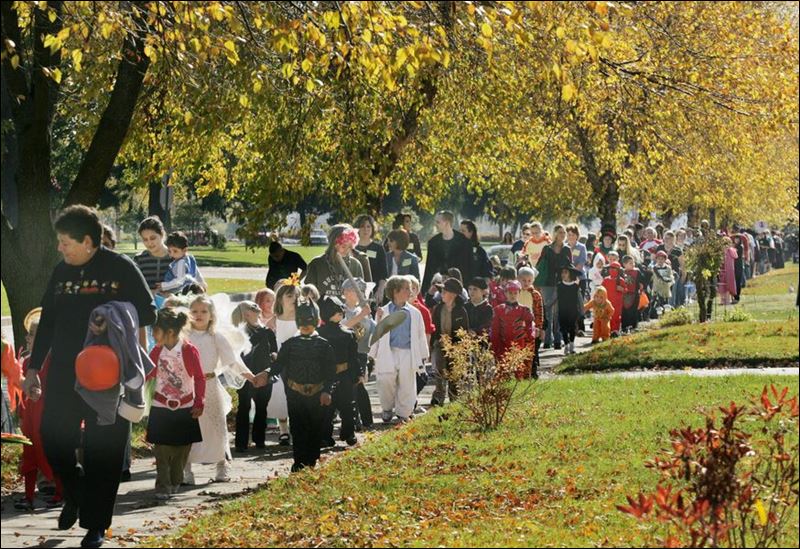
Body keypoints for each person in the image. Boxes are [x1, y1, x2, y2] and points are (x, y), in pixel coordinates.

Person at [22, 205, 155, 548]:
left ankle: (95, 526)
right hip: (66, 372)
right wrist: (34, 369)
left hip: (107, 376)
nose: (60, 248)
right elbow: (48, 320)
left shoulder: (120, 267)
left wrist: (110, 315)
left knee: (105, 451)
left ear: (87, 242)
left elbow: (148, 310)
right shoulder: (61, 272)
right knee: (53, 438)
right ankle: (76, 491)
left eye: (65, 242)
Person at [184, 295, 257, 485]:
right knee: (188, 427)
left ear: (211, 315)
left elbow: (231, 360)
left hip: (209, 385)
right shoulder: (184, 337)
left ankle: (222, 464)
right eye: (194, 311)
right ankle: (186, 469)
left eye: (203, 311)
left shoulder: (215, 337)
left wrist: (249, 375)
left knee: (217, 426)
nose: (198, 315)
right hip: (188, 387)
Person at [262, 300, 336, 472]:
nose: (305, 326)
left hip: (318, 394)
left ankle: (311, 460)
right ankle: (299, 461)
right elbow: (278, 365)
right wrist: (265, 374)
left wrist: (327, 391)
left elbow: (330, 372)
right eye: (302, 323)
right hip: (295, 394)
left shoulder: (324, 345)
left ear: (316, 321)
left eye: (309, 323)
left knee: (315, 427)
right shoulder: (290, 345)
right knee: (298, 427)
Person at [146, 308, 206, 501]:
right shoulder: (156, 351)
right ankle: (162, 484)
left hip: (185, 407)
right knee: (161, 450)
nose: (153, 335)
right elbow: (148, 375)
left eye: (156, 331)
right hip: (161, 405)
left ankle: (175, 479)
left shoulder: (188, 350)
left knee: (182, 449)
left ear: (170, 332)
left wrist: (199, 402)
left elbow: (199, 377)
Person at [16, 309, 63, 510]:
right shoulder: (27, 362)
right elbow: (21, 390)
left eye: (32, 335)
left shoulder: (54, 363)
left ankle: (61, 492)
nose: (27, 338)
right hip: (30, 415)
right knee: (29, 454)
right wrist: (20, 413)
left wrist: (41, 394)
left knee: (49, 454)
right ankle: (28, 496)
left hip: (46, 415)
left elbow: (58, 390)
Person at [370, 276, 429, 422]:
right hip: (388, 351)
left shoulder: (414, 313)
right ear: (395, 291)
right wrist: (372, 354)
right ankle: (387, 408)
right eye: (406, 288)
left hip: (408, 352)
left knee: (407, 383)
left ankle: (403, 412)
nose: (410, 291)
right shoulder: (383, 312)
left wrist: (423, 354)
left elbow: (420, 335)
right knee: (385, 380)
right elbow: (377, 332)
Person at [231, 301, 277, 452]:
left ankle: (259, 440)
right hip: (246, 375)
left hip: (263, 374)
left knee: (262, 407)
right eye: (252, 307)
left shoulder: (267, 331)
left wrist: (273, 358)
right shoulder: (239, 333)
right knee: (244, 407)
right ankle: (241, 443)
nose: (257, 307)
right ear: (245, 313)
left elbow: (274, 351)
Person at [318, 297, 360, 447]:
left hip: (344, 374)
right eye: (337, 312)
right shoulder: (319, 334)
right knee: (326, 408)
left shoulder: (348, 333)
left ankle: (349, 432)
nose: (340, 314)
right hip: (326, 376)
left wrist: (357, 373)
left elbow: (353, 357)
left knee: (348, 405)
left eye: (341, 312)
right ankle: (324, 435)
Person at [340, 278, 375, 430]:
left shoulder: (363, 311)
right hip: (345, 354)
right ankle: (354, 419)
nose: (360, 294)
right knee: (349, 387)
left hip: (361, 353)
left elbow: (373, 331)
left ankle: (363, 418)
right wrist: (361, 315)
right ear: (346, 292)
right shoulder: (340, 309)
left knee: (359, 385)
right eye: (356, 290)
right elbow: (343, 326)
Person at [430, 278, 470, 406]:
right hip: (440, 345)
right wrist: (434, 343)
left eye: (444, 292)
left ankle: (454, 400)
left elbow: (463, 331)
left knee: (454, 375)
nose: (441, 294)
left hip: (456, 347)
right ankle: (438, 399)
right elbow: (434, 328)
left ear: (453, 294)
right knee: (439, 372)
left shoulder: (461, 311)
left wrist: (459, 348)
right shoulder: (438, 309)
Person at [271, 282, 302, 445]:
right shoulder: (275, 319)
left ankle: (299, 428)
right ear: (280, 299)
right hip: (281, 360)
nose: (293, 299)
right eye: (289, 296)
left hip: (300, 359)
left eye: (296, 296)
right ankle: (283, 430)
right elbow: (269, 339)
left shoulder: (302, 317)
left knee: (298, 393)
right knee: (280, 394)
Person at [534, 225, 573, 350]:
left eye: (564, 232)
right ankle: (547, 340)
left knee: (558, 313)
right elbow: (539, 265)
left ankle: (557, 340)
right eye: (560, 232)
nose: (563, 234)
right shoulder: (547, 248)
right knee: (547, 312)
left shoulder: (567, 249)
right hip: (547, 283)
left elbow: (570, 267)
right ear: (555, 234)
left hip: (560, 283)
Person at [304, 225, 364, 298]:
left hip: (348, 309)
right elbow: (307, 293)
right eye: (344, 246)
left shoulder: (355, 265)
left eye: (350, 247)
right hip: (323, 308)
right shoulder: (316, 264)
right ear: (333, 244)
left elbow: (361, 293)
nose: (347, 250)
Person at [490, 281, 535, 378]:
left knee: (519, 371)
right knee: (503, 371)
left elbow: (530, 328)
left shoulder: (524, 310)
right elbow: (495, 330)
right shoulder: (498, 310)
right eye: (510, 293)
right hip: (503, 344)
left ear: (519, 293)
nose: (512, 295)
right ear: (505, 293)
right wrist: (495, 346)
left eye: (515, 293)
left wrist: (529, 342)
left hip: (519, 344)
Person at [421, 211, 473, 294]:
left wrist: (468, 288)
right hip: (438, 286)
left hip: (459, 286)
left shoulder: (464, 242)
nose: (436, 224)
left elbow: (469, 267)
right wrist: (425, 290)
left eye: (438, 222)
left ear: (446, 223)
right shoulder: (433, 242)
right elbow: (429, 267)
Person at [355, 214, 389, 304]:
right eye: (362, 226)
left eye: (368, 226)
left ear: (373, 228)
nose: (365, 229)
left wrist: (380, 291)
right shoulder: (351, 248)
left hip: (374, 294)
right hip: (353, 293)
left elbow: (384, 274)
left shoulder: (378, 248)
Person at [133, 216, 171, 294]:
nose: (149, 243)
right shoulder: (139, 259)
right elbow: (133, 287)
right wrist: (153, 293)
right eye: (145, 239)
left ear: (162, 235)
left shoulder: (176, 257)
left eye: (153, 238)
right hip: (146, 304)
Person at [557, 266, 582, 355]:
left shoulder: (575, 286)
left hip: (573, 310)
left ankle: (572, 344)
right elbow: (556, 298)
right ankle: (566, 344)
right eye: (562, 272)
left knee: (572, 328)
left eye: (565, 272)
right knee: (563, 328)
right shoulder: (559, 285)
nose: (563, 274)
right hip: (562, 310)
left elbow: (579, 300)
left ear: (570, 274)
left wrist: (581, 310)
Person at [601, 261, 625, 336]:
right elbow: (601, 289)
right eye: (610, 268)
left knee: (616, 317)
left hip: (618, 303)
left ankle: (615, 331)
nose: (611, 269)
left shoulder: (620, 280)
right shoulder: (606, 279)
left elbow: (625, 290)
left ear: (618, 270)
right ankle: (607, 331)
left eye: (614, 268)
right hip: (608, 302)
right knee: (608, 316)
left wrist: (621, 289)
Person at [620, 256, 642, 332]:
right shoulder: (621, 272)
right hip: (624, 295)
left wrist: (642, 286)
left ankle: (634, 326)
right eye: (630, 263)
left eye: (633, 263)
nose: (633, 264)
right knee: (624, 311)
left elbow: (642, 281)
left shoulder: (637, 272)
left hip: (634, 294)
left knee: (633, 311)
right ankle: (624, 327)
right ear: (624, 264)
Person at [718, 237, 738, 306]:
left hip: (727, 270)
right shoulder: (722, 251)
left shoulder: (729, 250)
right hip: (725, 270)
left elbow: (735, 256)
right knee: (724, 285)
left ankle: (726, 300)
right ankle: (724, 300)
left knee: (727, 285)